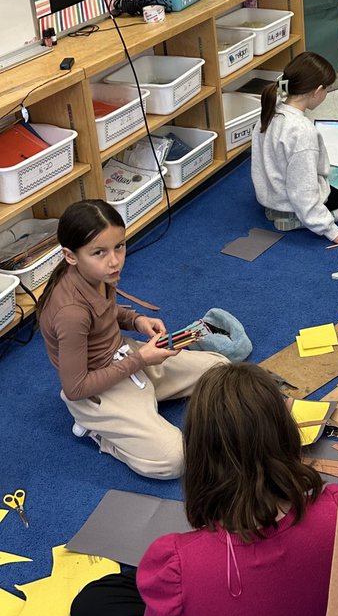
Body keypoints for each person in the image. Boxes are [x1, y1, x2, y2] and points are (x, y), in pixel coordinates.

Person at [70, 362, 338, 616]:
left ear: (198, 455)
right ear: (287, 435)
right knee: (127, 582)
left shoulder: (176, 563)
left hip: (191, 588)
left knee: (93, 603)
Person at [37, 199, 227, 480]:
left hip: (124, 357)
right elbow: (75, 387)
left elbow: (106, 312)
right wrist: (140, 359)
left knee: (221, 369)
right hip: (96, 390)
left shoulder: (96, 272)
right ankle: (100, 433)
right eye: (99, 252)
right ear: (70, 256)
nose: (114, 261)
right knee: (177, 460)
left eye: (120, 246)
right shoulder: (71, 313)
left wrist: (136, 320)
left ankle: (142, 404)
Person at [251, 51, 338, 248]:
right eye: (327, 90)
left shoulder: (269, 111)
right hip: (294, 206)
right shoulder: (302, 131)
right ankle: (308, 219)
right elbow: (303, 191)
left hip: (272, 197)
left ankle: (288, 213)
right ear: (317, 90)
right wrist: (332, 230)